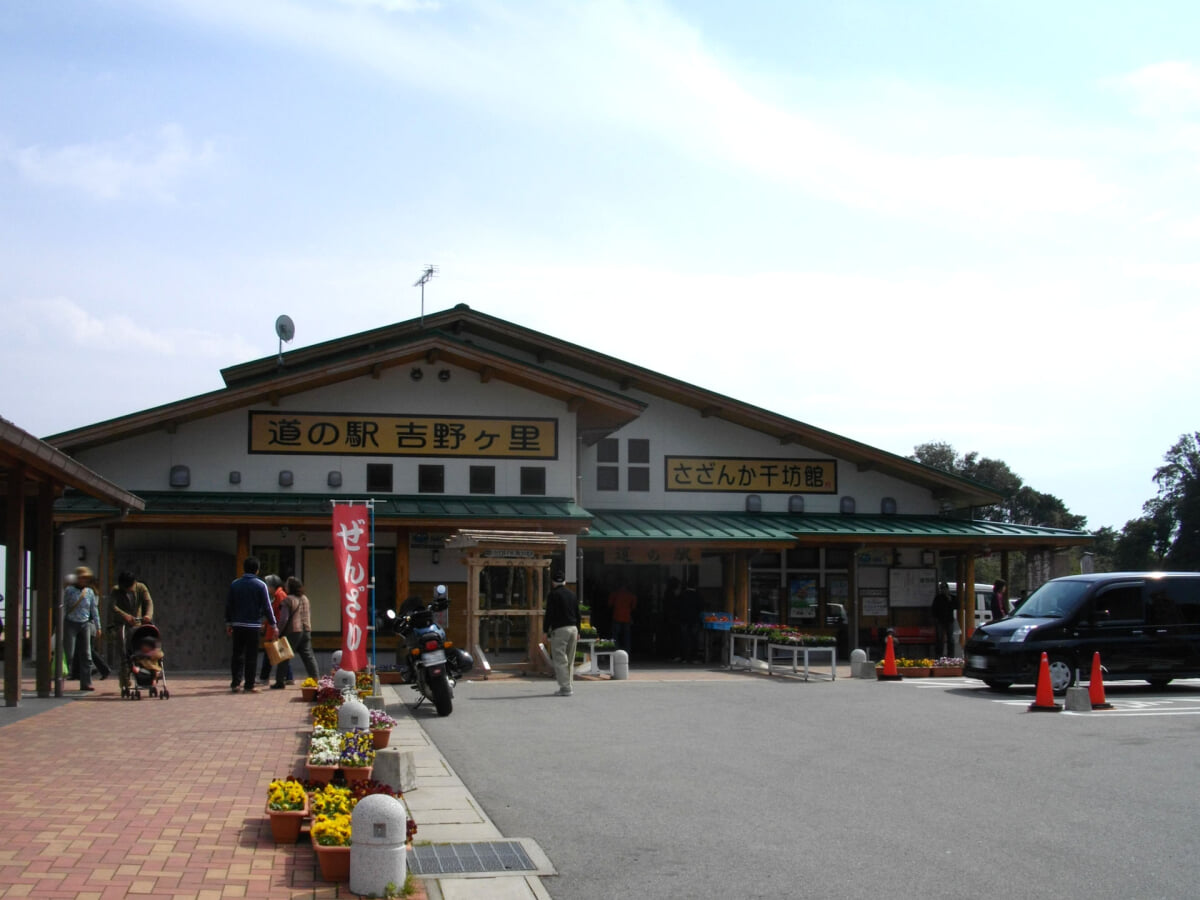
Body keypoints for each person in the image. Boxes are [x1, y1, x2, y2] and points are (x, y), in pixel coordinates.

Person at [225, 556, 276, 693]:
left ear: (244, 568)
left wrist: (228, 622)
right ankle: (249, 685)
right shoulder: (261, 585)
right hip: (253, 625)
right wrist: (273, 624)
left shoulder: (235, 584)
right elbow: (267, 606)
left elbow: (229, 605)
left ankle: (235, 683)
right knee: (251, 656)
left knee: (237, 654)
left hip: (237, 624)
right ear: (257, 570)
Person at [109, 571, 154, 693]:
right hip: (122, 624)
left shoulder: (141, 588)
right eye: (125, 587)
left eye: (129, 587)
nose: (127, 589)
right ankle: (124, 677)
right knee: (124, 651)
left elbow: (148, 602)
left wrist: (148, 615)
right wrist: (125, 616)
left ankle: (145, 675)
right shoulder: (116, 590)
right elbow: (112, 606)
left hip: (137, 623)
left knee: (141, 649)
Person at [63, 566, 100, 691]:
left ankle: (86, 682)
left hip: (85, 624)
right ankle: (61, 679)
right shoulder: (69, 590)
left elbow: (94, 609)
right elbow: (64, 606)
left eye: (86, 578)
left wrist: (98, 626)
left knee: (86, 655)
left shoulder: (89, 592)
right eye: (82, 577)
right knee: (69, 653)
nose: (84, 580)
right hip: (71, 623)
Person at [544, 570, 580, 696]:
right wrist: (579, 630)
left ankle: (565, 688)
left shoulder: (552, 595)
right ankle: (569, 684)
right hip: (573, 629)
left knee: (560, 659)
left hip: (560, 630)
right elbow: (578, 614)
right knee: (570, 659)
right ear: (565, 582)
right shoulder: (572, 595)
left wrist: (545, 630)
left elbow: (549, 614)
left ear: (553, 583)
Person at [259, 575, 294, 688]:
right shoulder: (277, 595)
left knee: (272, 654)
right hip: (274, 629)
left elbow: (279, 615)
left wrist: (276, 628)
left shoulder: (280, 595)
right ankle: (289, 677)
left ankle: (265, 677)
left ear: (272, 586)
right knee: (280, 653)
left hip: (275, 630)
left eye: (268, 585)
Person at [284, 576, 320, 682]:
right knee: (308, 656)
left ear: (290, 587)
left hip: (294, 630)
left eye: (286, 585)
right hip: (306, 629)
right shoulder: (305, 598)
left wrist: (279, 630)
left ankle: (280, 680)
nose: (285, 587)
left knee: (285, 656)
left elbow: (284, 619)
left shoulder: (288, 599)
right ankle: (315, 678)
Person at [606, 581, 637, 655]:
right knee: (627, 637)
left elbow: (610, 604)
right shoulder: (631, 595)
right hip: (627, 618)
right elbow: (634, 607)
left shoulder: (615, 594)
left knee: (615, 637)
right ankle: (627, 653)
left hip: (616, 617)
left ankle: (615, 651)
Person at [930, 581, 957, 658]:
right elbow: (934, 609)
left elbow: (956, 606)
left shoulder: (952, 597)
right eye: (942, 588)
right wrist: (935, 618)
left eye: (945, 588)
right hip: (940, 620)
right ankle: (939, 654)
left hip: (949, 620)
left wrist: (949, 600)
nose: (944, 590)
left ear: (948, 589)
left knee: (950, 638)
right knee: (940, 638)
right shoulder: (938, 598)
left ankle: (951, 655)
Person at [678, 578, 702, 663]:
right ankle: (694, 657)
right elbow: (700, 607)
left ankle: (684, 657)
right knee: (694, 638)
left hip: (683, 620)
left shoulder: (682, 595)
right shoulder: (697, 595)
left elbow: (678, 607)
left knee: (684, 638)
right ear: (695, 586)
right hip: (694, 619)